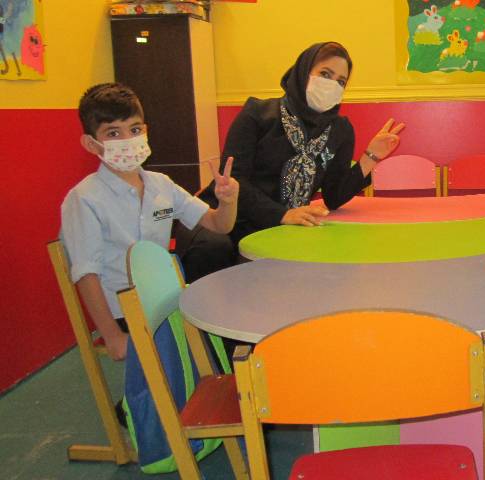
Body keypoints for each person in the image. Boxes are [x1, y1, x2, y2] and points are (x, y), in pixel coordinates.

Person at [177, 41, 404, 279]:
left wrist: (371, 156)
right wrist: (281, 214)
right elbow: (235, 180)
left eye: (340, 82)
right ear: (303, 72)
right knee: (213, 250)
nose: (332, 85)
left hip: (282, 225)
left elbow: (334, 196)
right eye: (325, 74)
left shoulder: (340, 130)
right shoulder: (257, 114)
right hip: (222, 216)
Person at [61, 82, 239, 362]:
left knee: (226, 325)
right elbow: (86, 273)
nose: (127, 140)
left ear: (145, 131)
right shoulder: (84, 198)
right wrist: (113, 337)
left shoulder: (160, 184)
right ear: (91, 143)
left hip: (164, 297)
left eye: (134, 130)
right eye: (113, 133)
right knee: (204, 347)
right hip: (123, 310)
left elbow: (219, 225)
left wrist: (227, 201)